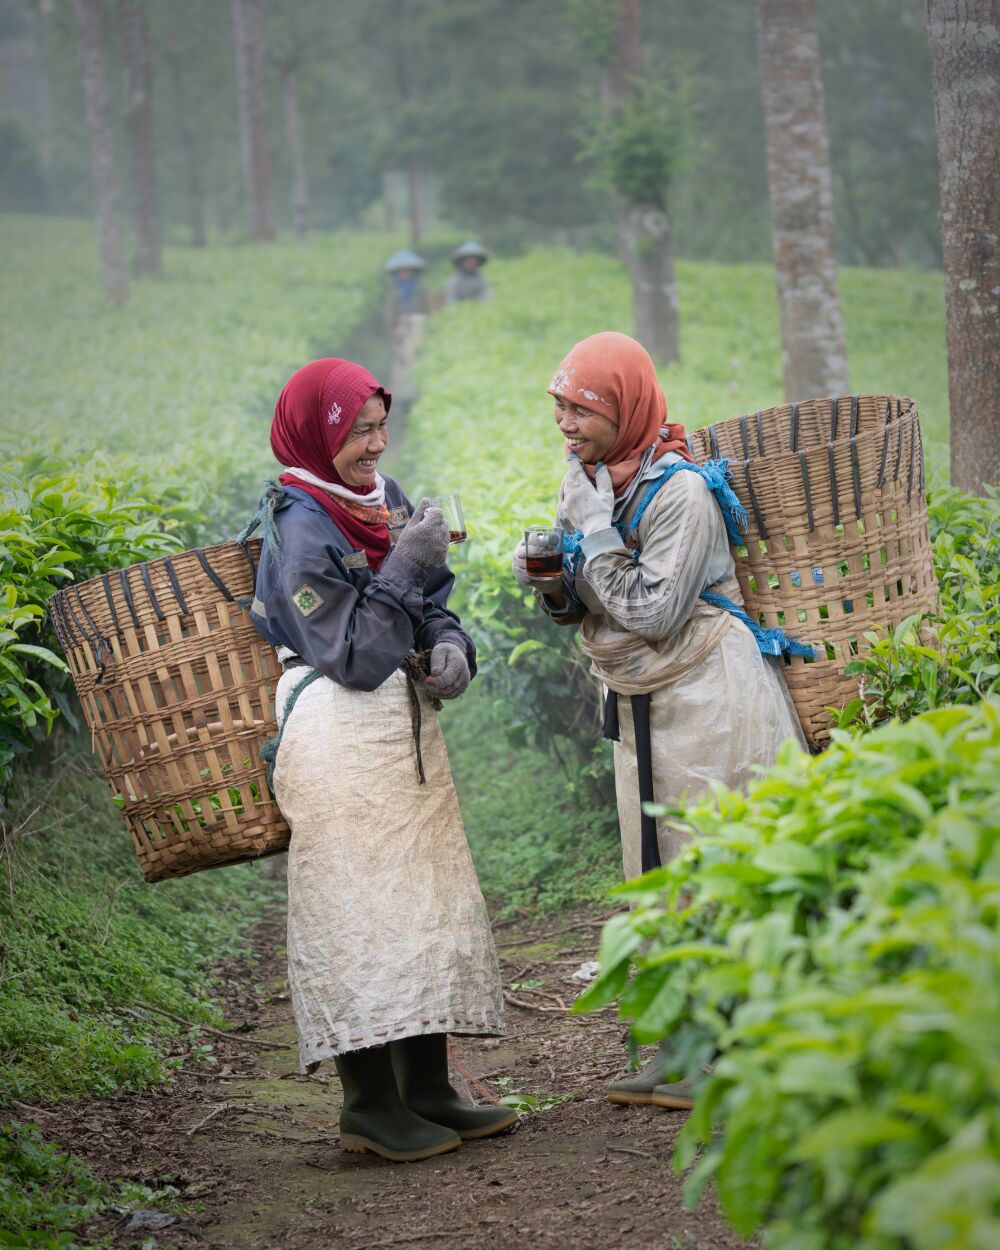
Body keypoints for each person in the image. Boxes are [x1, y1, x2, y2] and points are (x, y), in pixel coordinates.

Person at [511, 331, 806, 1111]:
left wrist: (596, 533)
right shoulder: (593, 480)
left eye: (581, 410)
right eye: (560, 408)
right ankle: (678, 1050)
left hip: (713, 695)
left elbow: (652, 610)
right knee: (658, 873)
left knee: (713, 868)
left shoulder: (679, 492)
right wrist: (551, 584)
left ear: (624, 408)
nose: (566, 426)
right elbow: (591, 602)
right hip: (644, 700)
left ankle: (732, 1054)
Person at [248, 357, 516, 1162]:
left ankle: (429, 1090)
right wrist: (406, 568)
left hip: (402, 731)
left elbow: (429, 604)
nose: (376, 443)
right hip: (334, 733)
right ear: (318, 432)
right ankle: (368, 1104)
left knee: (420, 903)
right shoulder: (299, 528)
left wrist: (449, 644)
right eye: (358, 430)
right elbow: (356, 654)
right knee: (357, 911)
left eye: (380, 424)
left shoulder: (384, 499)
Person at [384, 249, 430, 407]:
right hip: (402, 334)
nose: (405, 274)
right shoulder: (395, 293)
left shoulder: (420, 290)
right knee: (402, 367)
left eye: (407, 271)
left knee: (418, 363)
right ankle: (403, 404)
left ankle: (419, 398)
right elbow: (391, 318)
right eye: (401, 272)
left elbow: (427, 311)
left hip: (418, 332)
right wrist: (394, 335)